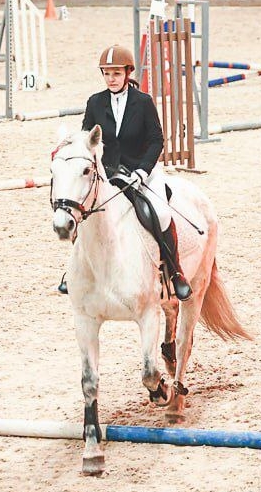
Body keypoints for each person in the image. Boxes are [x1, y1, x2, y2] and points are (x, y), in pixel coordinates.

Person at [57, 44, 192, 301]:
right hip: (108, 172)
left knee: (161, 213)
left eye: (116, 74)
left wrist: (142, 171)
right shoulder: (95, 102)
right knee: (82, 210)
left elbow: (157, 140)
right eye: (107, 74)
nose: (111, 79)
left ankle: (175, 272)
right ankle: (73, 270)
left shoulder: (143, 102)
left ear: (128, 73)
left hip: (141, 170)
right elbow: (87, 139)